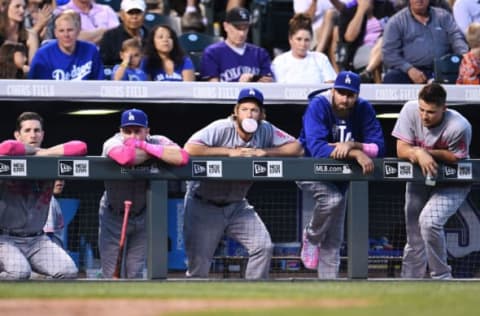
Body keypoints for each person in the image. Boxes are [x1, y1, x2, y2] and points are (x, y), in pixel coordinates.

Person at [183, 88, 303, 279]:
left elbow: (297, 148)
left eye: (254, 110)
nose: (249, 114)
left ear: (262, 114)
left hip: (237, 206)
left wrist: (266, 152)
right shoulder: (221, 127)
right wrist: (228, 152)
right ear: (236, 112)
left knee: (263, 247)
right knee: (199, 266)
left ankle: (254, 298)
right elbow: (189, 148)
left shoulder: (266, 129)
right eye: (245, 109)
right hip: (204, 205)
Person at [297, 71, 385, 279]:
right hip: (308, 168)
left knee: (335, 239)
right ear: (333, 90)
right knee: (332, 200)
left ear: (357, 95)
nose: (345, 99)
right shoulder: (318, 105)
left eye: (350, 95)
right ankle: (311, 236)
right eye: (341, 93)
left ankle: (328, 289)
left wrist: (352, 144)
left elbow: (380, 147)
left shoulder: (363, 108)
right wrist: (356, 153)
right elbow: (318, 149)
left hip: (340, 177)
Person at [392, 83, 472, 279]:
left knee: (429, 222)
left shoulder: (459, 126)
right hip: (420, 178)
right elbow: (401, 148)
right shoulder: (410, 110)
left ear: (444, 108)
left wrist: (427, 152)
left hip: (452, 181)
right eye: (422, 109)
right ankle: (409, 282)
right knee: (414, 236)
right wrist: (418, 152)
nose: (424, 116)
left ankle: (442, 277)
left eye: (431, 112)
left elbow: (455, 157)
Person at [99, 108, 189, 279]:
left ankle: (133, 306)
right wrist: (156, 153)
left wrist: (143, 146)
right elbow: (125, 158)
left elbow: (182, 157)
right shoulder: (112, 142)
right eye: (127, 131)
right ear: (120, 131)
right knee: (110, 273)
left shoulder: (157, 140)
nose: (132, 136)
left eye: (137, 131)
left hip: (143, 215)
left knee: (135, 272)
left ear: (147, 131)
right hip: (113, 214)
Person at [0, 111, 87, 280]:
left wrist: (42, 154)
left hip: (37, 240)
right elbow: (7, 147)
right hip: (5, 238)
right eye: (27, 130)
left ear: (43, 134)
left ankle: (44, 306)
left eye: (37, 130)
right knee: (19, 273)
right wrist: (39, 153)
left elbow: (80, 147)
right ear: (17, 134)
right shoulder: (6, 157)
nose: (33, 134)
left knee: (68, 271)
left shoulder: (49, 158)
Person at [382, 0, 467, 83]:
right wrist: (409, 69)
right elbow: (389, 53)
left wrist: (465, 56)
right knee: (392, 78)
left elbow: (456, 38)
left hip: (444, 68)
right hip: (409, 71)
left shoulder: (444, 17)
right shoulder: (396, 22)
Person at [200, 7, 273, 82]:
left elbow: (268, 84)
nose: (242, 33)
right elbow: (212, 88)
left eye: (245, 28)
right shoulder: (213, 53)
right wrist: (240, 85)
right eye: (238, 28)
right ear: (226, 26)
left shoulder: (260, 53)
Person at [28, 10, 105, 80]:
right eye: (61, 31)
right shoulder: (43, 55)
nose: (66, 35)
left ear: (78, 31)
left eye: (70, 30)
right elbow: (36, 87)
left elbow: (99, 83)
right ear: (55, 33)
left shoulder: (91, 51)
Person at [271, 13, 337, 84]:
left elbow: (331, 85)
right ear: (290, 39)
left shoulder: (321, 59)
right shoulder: (279, 61)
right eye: (299, 39)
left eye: (307, 40)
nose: (303, 44)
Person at [99, 0, 149, 67]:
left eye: (138, 12)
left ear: (145, 14)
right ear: (122, 15)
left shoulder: (151, 36)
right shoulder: (110, 37)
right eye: (130, 13)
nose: (134, 17)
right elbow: (104, 65)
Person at [55, 0, 120, 45]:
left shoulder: (106, 10)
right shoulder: (61, 12)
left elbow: (117, 36)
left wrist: (88, 36)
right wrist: (103, 31)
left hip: (109, 59)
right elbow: (72, 38)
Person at [0, 0, 40, 64]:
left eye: (24, 7)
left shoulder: (30, 36)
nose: (22, 11)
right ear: (5, 8)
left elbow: (33, 68)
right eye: (17, 6)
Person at [44, 180, 66, 248]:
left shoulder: (53, 200)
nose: (60, 181)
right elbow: (47, 234)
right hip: (50, 250)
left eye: (62, 179)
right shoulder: (49, 201)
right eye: (56, 179)